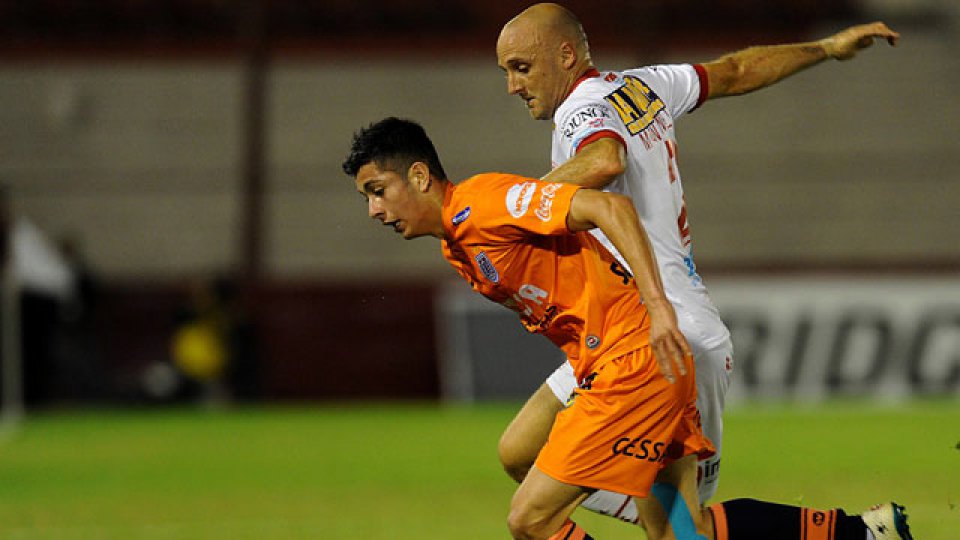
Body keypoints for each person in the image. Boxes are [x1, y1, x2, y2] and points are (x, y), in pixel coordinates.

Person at [342, 117, 911, 540]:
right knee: (682, 533)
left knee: (531, 518)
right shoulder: (458, 245)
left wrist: (660, 307)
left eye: (377, 190)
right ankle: (865, 532)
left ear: (418, 176)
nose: (373, 210)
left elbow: (611, 210)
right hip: (629, 364)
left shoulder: (485, 205)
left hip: (632, 365)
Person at [495, 1, 902, 529]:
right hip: (622, 337)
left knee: (681, 527)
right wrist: (825, 48)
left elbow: (604, 159)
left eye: (520, 67)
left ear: (566, 54)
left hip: (666, 342)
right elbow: (732, 72)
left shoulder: (580, 111)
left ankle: (856, 532)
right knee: (520, 454)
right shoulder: (643, 86)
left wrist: (508, 208)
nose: (511, 85)